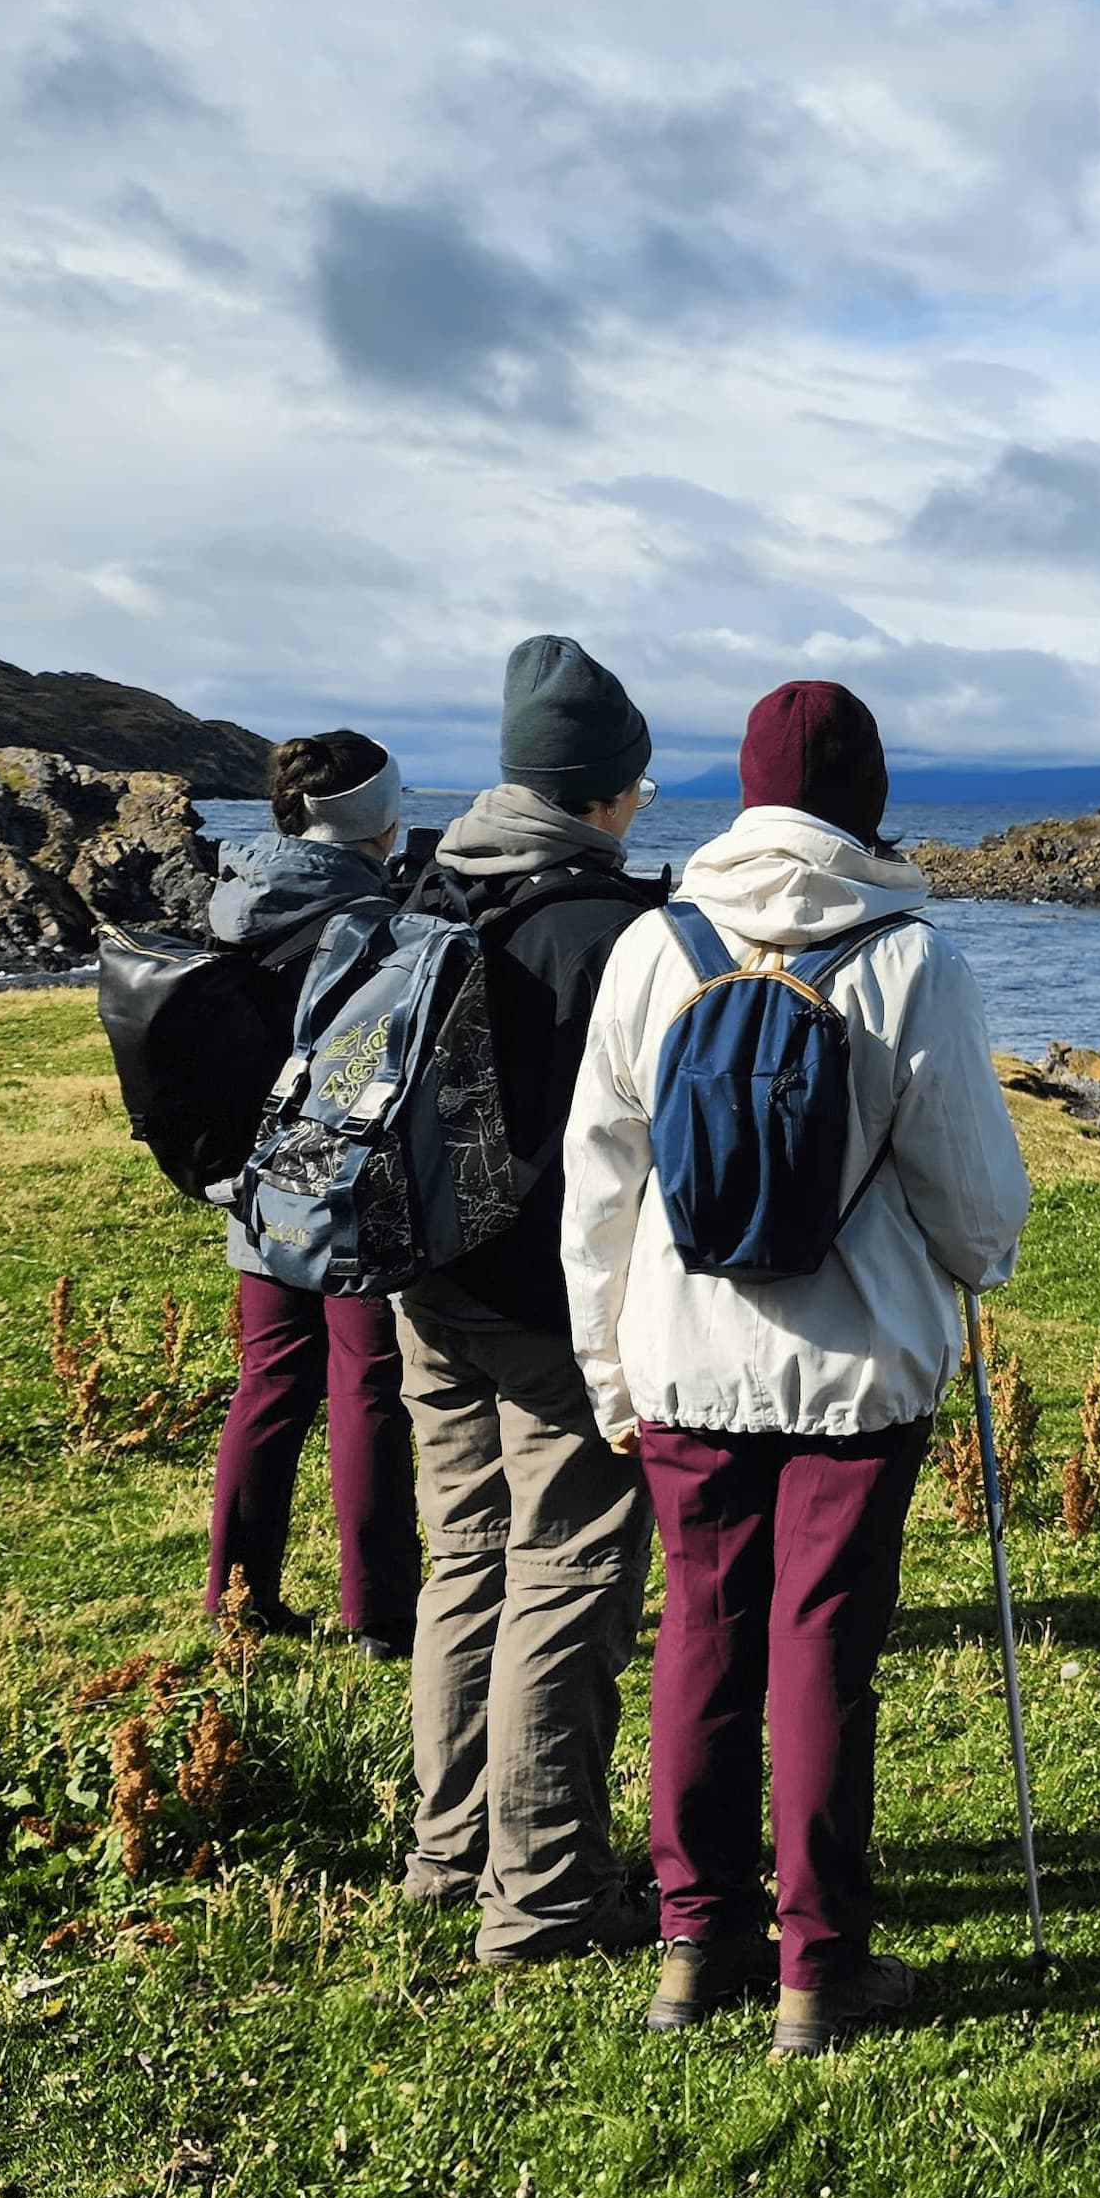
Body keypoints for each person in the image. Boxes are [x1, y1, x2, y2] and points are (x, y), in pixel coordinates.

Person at [566, 680, 1031, 2055]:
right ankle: (818, 1973)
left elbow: (599, 1180)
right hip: (860, 1374)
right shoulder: (912, 957)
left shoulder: (657, 944)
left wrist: (612, 1369)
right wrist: (978, 1268)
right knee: (824, 1653)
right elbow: (975, 1200)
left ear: (752, 792)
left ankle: (694, 1945)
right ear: (869, 799)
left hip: (684, 1368)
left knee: (700, 1643)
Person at [391, 636, 671, 1967]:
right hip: (549, 1306)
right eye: (635, 783)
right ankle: (549, 1891)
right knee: (568, 1577)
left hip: (425, 1284)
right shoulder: (613, 933)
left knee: (469, 1561)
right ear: (602, 790)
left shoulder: (429, 889)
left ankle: (448, 1854)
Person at [201, 731, 420, 1659]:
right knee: (368, 1384)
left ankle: (237, 1597)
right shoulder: (372, 918)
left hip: (254, 1171)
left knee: (270, 1380)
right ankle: (379, 1610)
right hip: (345, 1171)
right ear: (379, 817)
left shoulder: (235, 894)